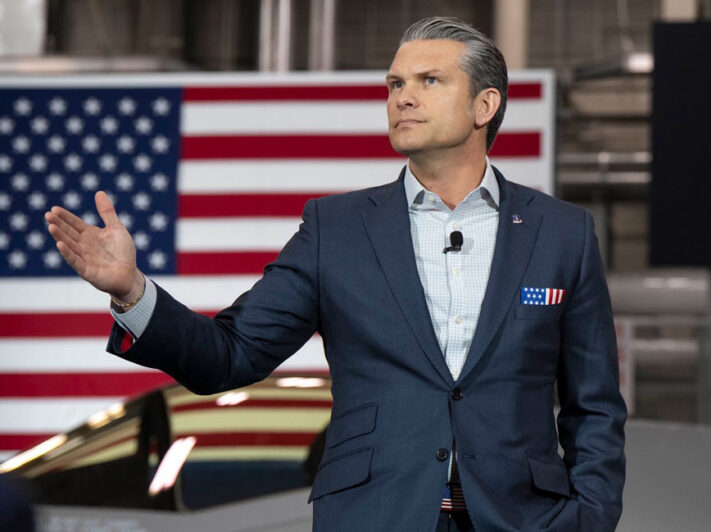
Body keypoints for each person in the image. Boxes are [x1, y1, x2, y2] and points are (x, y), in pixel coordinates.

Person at [46, 16, 626, 532]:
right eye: (396, 84)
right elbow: (229, 354)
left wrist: (589, 517)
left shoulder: (562, 233)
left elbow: (594, 406)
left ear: (485, 106)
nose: (403, 97)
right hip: (373, 515)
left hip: (525, 518)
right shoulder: (336, 228)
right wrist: (132, 291)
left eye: (429, 81)